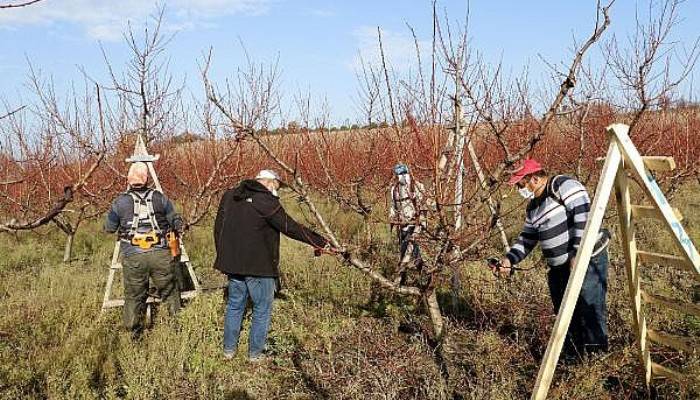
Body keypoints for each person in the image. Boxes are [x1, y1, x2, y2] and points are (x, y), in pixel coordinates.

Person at [496, 159, 610, 359]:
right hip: (560, 268)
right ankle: (574, 358)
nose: (518, 189)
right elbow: (527, 238)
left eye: (520, 184)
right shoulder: (533, 208)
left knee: (589, 308)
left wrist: (577, 254)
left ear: (535, 179)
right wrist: (509, 260)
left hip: (587, 259)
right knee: (565, 314)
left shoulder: (563, 186)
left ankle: (597, 359)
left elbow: (583, 216)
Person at [214, 169, 329, 361]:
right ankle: (255, 355)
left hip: (233, 264)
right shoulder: (265, 200)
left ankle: (228, 351)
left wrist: (223, 255)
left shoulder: (230, 196)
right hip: (260, 266)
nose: (277, 191)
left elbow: (219, 228)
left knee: (234, 306)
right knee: (262, 309)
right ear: (269, 183)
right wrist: (320, 241)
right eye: (277, 187)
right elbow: (289, 227)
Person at [104, 161, 183, 338]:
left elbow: (109, 228)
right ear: (147, 179)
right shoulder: (160, 198)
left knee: (133, 296)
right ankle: (178, 331)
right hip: (161, 254)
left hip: (133, 256)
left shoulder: (119, 202)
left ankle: (134, 336)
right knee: (170, 293)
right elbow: (175, 221)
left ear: (129, 180)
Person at [388, 163, 427, 281]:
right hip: (402, 225)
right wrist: (392, 217)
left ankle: (419, 273)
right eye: (399, 174)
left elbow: (424, 206)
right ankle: (405, 277)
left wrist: (421, 222)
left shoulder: (417, 186)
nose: (401, 177)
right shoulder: (394, 190)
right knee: (404, 250)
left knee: (412, 248)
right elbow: (393, 207)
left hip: (414, 225)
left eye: (403, 174)